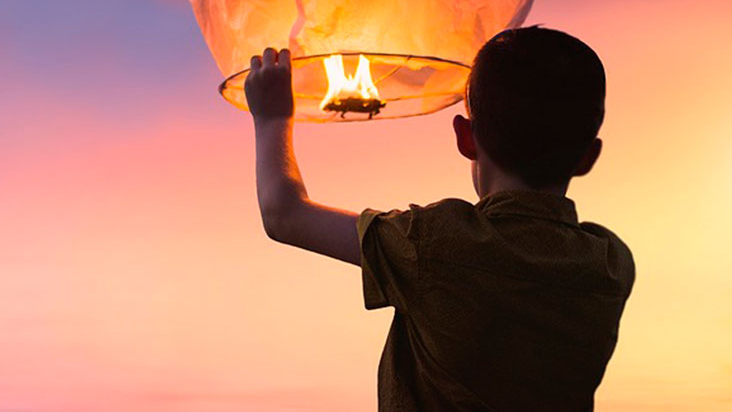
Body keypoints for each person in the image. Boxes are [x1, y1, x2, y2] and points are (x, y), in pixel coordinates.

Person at [246, 26, 635, 411]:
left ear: (466, 137)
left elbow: (284, 215)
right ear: (589, 156)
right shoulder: (610, 264)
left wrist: (271, 117)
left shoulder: (436, 244)